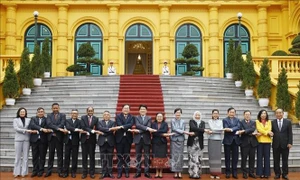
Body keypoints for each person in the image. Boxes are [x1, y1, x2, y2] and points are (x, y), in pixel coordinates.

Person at [132, 105, 156, 179]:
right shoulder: (136, 117)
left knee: (147, 156)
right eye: (141, 109)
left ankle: (146, 172)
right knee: (138, 156)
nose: (142, 110)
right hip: (138, 139)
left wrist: (139, 130)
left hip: (146, 139)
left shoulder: (149, 118)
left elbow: (148, 126)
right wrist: (147, 128)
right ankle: (138, 172)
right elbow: (138, 125)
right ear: (139, 111)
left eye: (144, 109)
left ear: (146, 111)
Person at [45, 103, 67, 177]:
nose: (55, 109)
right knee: (51, 155)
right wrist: (57, 129)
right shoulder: (48, 115)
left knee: (60, 155)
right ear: (52, 108)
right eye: (54, 108)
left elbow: (62, 123)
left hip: (59, 138)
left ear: (59, 108)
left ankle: (60, 171)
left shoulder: (63, 115)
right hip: (51, 138)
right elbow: (49, 124)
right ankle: (49, 171)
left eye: (56, 108)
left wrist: (55, 129)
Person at [13, 107, 37, 178]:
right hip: (18, 140)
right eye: (21, 112)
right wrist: (26, 130)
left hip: (26, 139)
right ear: (18, 112)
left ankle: (24, 172)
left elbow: (31, 127)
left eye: (23, 112)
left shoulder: (29, 120)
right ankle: (16, 172)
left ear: (26, 113)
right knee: (17, 156)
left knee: (25, 157)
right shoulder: (15, 120)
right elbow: (16, 128)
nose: (22, 113)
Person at [97, 111, 121, 179]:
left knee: (110, 158)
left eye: (108, 115)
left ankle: (110, 172)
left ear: (110, 116)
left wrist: (105, 131)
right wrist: (109, 129)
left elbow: (111, 131)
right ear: (103, 116)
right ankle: (104, 172)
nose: (106, 116)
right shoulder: (99, 122)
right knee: (103, 158)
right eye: (105, 115)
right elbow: (100, 128)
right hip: (102, 142)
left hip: (110, 142)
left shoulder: (113, 122)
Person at [170, 108, 192, 179]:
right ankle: (175, 172)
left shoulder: (183, 121)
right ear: (174, 113)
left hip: (181, 139)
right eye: (176, 112)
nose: (178, 114)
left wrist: (181, 132)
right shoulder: (172, 120)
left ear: (181, 114)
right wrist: (183, 132)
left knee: (180, 155)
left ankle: (179, 172)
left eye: (179, 113)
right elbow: (174, 128)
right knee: (174, 156)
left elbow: (182, 129)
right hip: (174, 139)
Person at [29, 107, 50, 177]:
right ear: (37, 113)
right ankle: (35, 170)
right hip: (34, 140)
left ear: (44, 113)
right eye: (39, 112)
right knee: (34, 156)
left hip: (43, 141)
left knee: (42, 156)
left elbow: (47, 127)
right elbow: (32, 125)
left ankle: (41, 171)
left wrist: (38, 129)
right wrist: (41, 129)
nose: (41, 113)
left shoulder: (47, 119)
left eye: (42, 112)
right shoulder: (33, 118)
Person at [272, 108, 293, 180]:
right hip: (276, 144)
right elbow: (271, 132)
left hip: (285, 144)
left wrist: (290, 142)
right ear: (275, 114)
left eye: (280, 113)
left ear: (283, 114)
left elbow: (290, 133)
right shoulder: (273, 122)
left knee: (285, 160)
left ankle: (285, 174)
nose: (278, 114)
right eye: (277, 113)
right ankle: (277, 173)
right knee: (276, 160)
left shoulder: (288, 122)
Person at [80, 106, 101, 179]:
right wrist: (91, 130)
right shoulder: (83, 118)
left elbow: (97, 127)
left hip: (92, 141)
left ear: (93, 111)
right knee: (84, 157)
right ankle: (84, 173)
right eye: (89, 111)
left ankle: (92, 173)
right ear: (87, 111)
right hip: (84, 140)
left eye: (91, 111)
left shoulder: (96, 119)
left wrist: (96, 130)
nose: (90, 112)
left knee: (92, 157)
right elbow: (83, 126)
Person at [187, 111, 209, 179]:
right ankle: (192, 173)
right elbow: (193, 128)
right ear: (194, 115)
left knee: (198, 159)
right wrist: (203, 130)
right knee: (192, 159)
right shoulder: (191, 121)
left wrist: (196, 133)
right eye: (196, 115)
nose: (197, 116)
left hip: (199, 143)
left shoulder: (202, 122)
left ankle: (197, 173)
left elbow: (201, 132)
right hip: (192, 143)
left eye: (198, 115)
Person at [62, 109, 84, 178]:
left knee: (75, 157)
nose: (74, 115)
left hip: (75, 141)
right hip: (67, 141)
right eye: (73, 113)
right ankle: (65, 172)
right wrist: (75, 129)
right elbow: (67, 127)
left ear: (77, 114)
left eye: (76, 113)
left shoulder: (80, 122)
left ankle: (73, 172)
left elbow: (80, 128)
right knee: (66, 157)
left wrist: (70, 130)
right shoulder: (67, 120)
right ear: (71, 114)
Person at [115, 104, 134, 179]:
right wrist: (126, 126)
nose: (126, 109)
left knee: (127, 156)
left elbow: (131, 124)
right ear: (122, 109)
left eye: (127, 108)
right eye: (124, 108)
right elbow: (119, 124)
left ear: (129, 110)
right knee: (119, 156)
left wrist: (123, 126)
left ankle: (126, 171)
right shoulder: (118, 116)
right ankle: (119, 172)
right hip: (119, 139)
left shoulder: (132, 117)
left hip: (128, 139)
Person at [151, 112, 173, 178]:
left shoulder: (165, 124)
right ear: (156, 117)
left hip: (163, 143)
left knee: (162, 157)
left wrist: (157, 132)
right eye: (158, 116)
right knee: (156, 157)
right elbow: (153, 133)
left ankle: (161, 171)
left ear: (163, 118)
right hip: (155, 142)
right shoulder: (153, 124)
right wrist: (162, 134)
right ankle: (157, 171)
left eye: (161, 116)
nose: (159, 118)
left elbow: (165, 130)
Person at [238, 110, 258, 179]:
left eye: (249, 114)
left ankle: (251, 172)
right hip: (244, 143)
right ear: (244, 115)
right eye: (246, 114)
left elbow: (253, 129)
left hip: (253, 143)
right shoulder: (240, 122)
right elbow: (241, 130)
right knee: (244, 159)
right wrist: (247, 131)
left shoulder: (253, 122)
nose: (247, 116)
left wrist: (245, 131)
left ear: (250, 115)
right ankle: (244, 173)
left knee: (252, 159)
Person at [222, 107, 241, 179]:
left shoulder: (237, 120)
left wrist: (231, 129)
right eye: (230, 112)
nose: (232, 113)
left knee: (235, 158)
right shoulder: (224, 120)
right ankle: (227, 172)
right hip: (227, 141)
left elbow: (238, 127)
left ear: (235, 113)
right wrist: (233, 129)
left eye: (233, 112)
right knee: (227, 157)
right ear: (228, 113)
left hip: (235, 141)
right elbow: (226, 128)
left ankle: (234, 172)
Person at [255, 109, 273, 178]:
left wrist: (266, 132)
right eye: (262, 113)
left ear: (266, 115)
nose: (263, 115)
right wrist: (267, 133)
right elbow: (259, 129)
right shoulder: (257, 121)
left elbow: (270, 129)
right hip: (259, 142)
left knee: (267, 158)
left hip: (267, 142)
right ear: (260, 115)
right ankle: (260, 173)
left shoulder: (269, 121)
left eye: (265, 113)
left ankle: (267, 173)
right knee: (259, 158)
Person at [208, 109, 223, 179]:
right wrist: (216, 130)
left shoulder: (221, 121)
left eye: (217, 113)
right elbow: (212, 128)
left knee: (218, 157)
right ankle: (212, 173)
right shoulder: (209, 121)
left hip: (218, 140)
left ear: (218, 115)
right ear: (212, 114)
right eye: (214, 113)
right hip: (211, 140)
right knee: (212, 156)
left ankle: (217, 174)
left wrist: (214, 130)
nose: (215, 115)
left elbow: (221, 130)